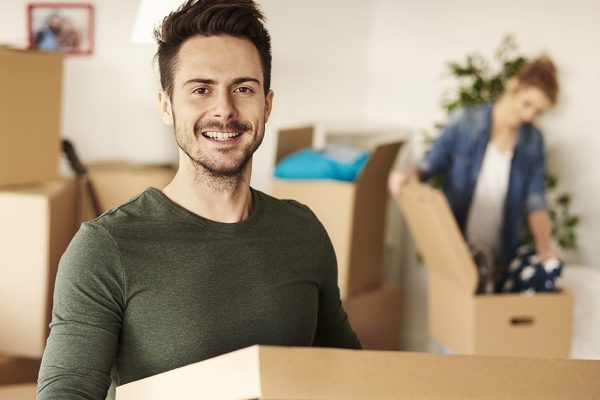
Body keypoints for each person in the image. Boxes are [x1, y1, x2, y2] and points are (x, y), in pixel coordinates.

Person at [37, 1, 361, 398]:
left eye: (243, 89)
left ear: (267, 104)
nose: (224, 110)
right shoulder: (105, 248)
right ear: (166, 105)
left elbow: (349, 371)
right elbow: (66, 392)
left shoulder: (303, 232)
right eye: (201, 90)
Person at [389, 56, 560, 288]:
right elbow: (429, 165)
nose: (529, 116)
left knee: (548, 273)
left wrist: (544, 248)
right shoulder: (467, 121)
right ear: (513, 86)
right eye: (527, 104)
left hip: (503, 252)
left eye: (538, 112)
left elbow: (536, 200)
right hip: (459, 249)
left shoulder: (533, 141)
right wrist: (406, 176)